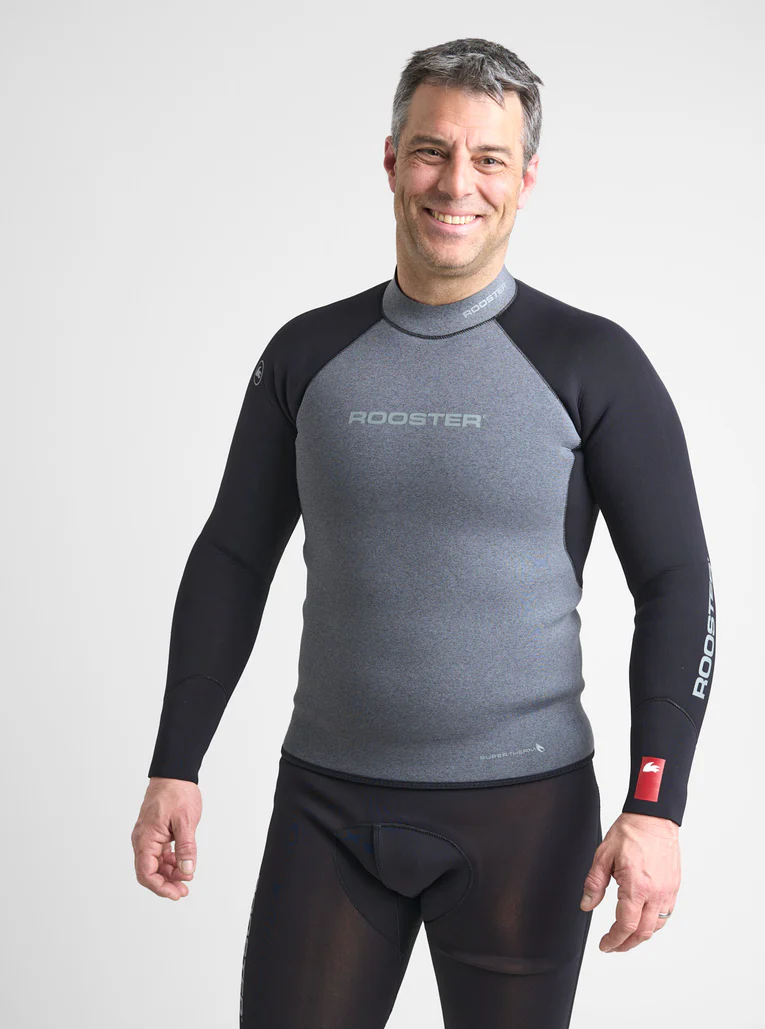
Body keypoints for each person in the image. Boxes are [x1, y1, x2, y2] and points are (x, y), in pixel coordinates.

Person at [131, 37, 716, 1029]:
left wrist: (655, 805)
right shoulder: (307, 355)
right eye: (432, 151)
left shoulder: (591, 362)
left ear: (525, 178)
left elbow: (677, 582)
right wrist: (174, 762)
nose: (457, 184)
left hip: (525, 819)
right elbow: (232, 556)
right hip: (328, 809)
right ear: (391, 159)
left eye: (489, 158)